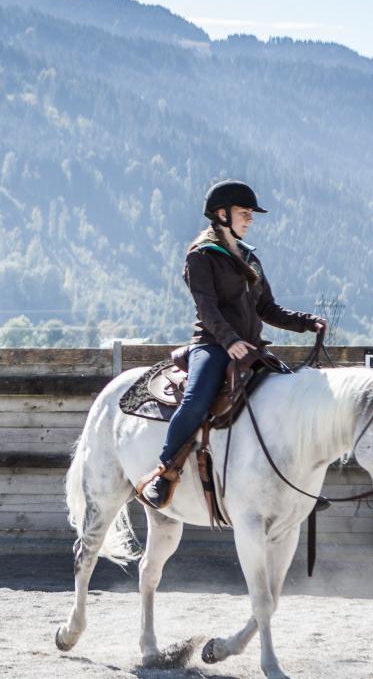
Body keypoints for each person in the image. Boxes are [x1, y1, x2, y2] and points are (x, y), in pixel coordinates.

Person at [136, 180, 326, 510]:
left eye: (251, 214)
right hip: (212, 344)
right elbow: (206, 308)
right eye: (244, 213)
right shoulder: (202, 255)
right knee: (196, 401)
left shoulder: (249, 257)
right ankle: (164, 471)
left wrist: (306, 322)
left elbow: (267, 309)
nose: (250, 219)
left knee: (292, 397)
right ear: (221, 214)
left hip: (250, 348)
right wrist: (229, 340)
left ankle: (295, 482)